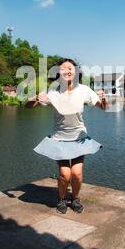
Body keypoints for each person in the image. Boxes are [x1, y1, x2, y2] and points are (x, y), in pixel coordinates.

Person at [25, 58, 107, 214]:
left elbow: (103, 107)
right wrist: (35, 98)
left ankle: (75, 198)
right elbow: (28, 107)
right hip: (59, 139)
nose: (68, 71)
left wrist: (103, 98)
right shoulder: (53, 90)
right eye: (63, 69)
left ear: (75, 72)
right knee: (65, 173)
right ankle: (61, 199)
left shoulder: (84, 90)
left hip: (79, 139)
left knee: (76, 173)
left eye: (71, 68)